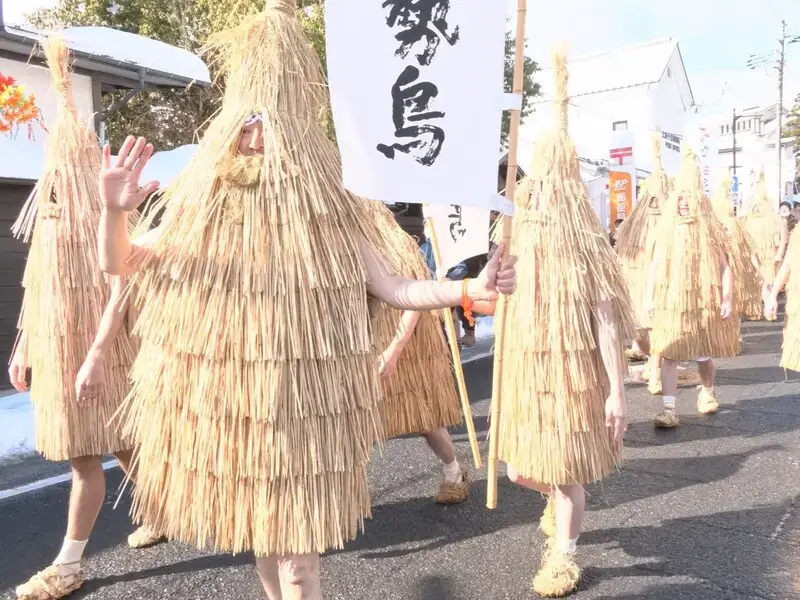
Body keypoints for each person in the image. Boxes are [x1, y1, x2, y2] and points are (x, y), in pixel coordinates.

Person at [93, 6, 517, 599]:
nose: (253, 136)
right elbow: (121, 262)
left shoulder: (332, 218)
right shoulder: (200, 210)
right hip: (236, 411)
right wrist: (115, 211)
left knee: (297, 563)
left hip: (304, 417)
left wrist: (468, 289)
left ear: (294, 130)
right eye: (243, 124)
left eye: (266, 123)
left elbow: (396, 289)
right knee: (265, 546)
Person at [10, 37, 160, 600]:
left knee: (85, 457)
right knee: (119, 443)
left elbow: (123, 288)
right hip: (59, 350)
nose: (56, 190)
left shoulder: (108, 224)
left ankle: (69, 563)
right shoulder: (48, 223)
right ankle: (164, 506)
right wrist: (24, 342)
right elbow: (35, 289)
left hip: (102, 351)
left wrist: (99, 354)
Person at [493, 49, 635, 598]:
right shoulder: (519, 235)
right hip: (532, 376)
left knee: (567, 467)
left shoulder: (588, 247)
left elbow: (606, 321)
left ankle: (565, 556)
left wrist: (616, 392)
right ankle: (557, 507)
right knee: (518, 471)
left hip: (575, 376)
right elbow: (500, 297)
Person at [647, 146, 739, 429]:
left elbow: (725, 268)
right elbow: (656, 266)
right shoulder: (667, 230)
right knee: (670, 353)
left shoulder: (710, 230)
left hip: (702, 302)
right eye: (680, 200)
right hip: (672, 302)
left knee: (703, 354)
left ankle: (708, 392)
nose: (683, 204)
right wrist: (650, 298)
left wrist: (726, 298)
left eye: (688, 199)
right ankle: (669, 409)